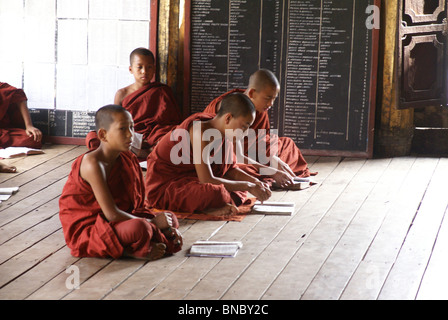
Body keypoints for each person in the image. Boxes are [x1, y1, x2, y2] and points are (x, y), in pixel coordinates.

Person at [59, 105, 182, 260]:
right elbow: (112, 214)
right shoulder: (92, 164)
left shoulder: (126, 158)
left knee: (170, 218)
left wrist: (161, 223)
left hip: (120, 220)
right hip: (91, 228)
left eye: (132, 127)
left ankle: (141, 242)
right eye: (122, 129)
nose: (130, 135)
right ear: (103, 135)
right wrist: (153, 222)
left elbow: (135, 207)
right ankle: (128, 251)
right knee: (142, 227)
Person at [145, 92, 271, 217]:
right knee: (217, 193)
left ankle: (211, 205)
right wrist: (248, 185)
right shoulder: (199, 131)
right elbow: (206, 180)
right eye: (244, 127)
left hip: (192, 180)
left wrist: (255, 182)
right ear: (228, 118)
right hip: (167, 186)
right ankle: (208, 208)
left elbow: (230, 169)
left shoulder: (223, 132)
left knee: (238, 188)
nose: (245, 133)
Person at [203, 69, 315, 189]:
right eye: (267, 98)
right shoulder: (231, 110)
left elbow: (262, 140)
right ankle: (272, 178)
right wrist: (269, 170)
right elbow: (233, 156)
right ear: (252, 93)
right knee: (236, 171)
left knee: (287, 146)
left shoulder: (258, 110)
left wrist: (273, 159)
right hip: (225, 156)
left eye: (274, 98)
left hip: (250, 153)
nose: (271, 104)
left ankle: (275, 176)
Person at [85, 48, 182, 158]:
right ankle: (147, 152)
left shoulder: (162, 91)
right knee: (93, 137)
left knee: (174, 136)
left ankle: (138, 152)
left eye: (149, 67)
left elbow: (172, 121)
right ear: (131, 69)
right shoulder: (122, 94)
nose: (144, 71)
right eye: (139, 67)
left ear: (154, 69)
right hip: (130, 134)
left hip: (154, 135)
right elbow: (115, 122)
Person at [0, 82, 42, 149]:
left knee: (32, 138)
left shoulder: (2, 87)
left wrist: (29, 125)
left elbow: (18, 95)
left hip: (2, 131)